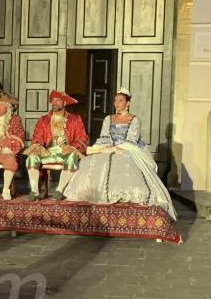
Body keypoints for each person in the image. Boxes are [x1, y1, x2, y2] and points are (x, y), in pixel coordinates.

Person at [63, 88, 176, 219]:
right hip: (108, 147)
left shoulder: (134, 120)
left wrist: (118, 147)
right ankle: (97, 193)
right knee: (93, 161)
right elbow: (104, 135)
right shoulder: (108, 119)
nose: (117, 103)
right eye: (115, 100)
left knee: (125, 161)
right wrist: (108, 146)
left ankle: (125, 194)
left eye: (121, 100)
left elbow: (132, 139)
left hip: (126, 148)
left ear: (127, 103)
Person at [25, 91, 88, 201]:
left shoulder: (75, 119)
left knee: (72, 157)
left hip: (65, 151)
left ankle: (59, 190)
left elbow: (82, 138)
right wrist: (38, 146)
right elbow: (37, 137)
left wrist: (71, 147)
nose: (54, 102)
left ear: (64, 103)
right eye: (52, 100)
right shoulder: (43, 120)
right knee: (32, 157)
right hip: (47, 151)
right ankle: (34, 191)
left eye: (57, 100)